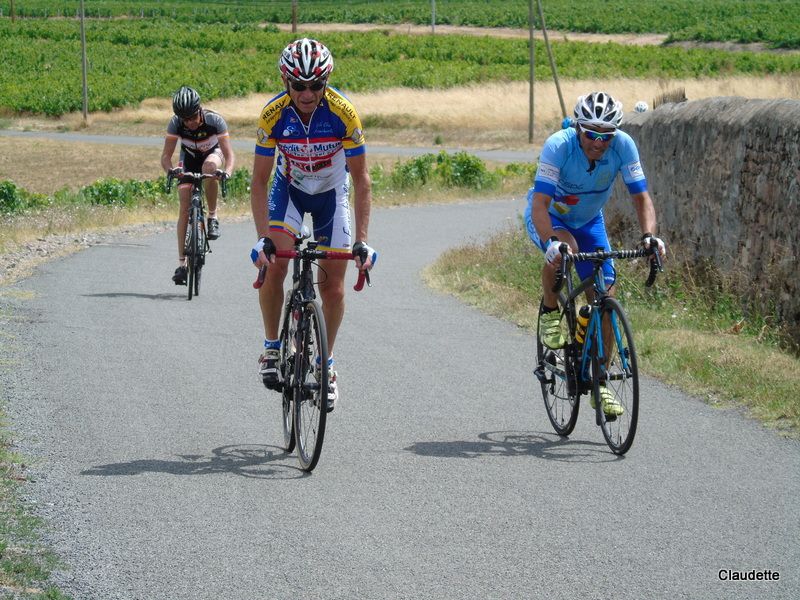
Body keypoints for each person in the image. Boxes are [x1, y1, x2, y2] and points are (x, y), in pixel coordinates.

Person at [249, 38, 377, 412]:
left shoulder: (343, 113)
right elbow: (258, 180)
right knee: (274, 265)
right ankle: (273, 347)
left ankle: (326, 364)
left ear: (326, 82)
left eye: (316, 85)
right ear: (286, 82)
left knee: (334, 290)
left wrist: (363, 242)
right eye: (299, 85)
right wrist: (262, 239)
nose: (307, 93)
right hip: (288, 189)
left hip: (331, 193)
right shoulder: (273, 115)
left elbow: (363, 179)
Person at [524, 91, 666, 416]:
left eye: (606, 135)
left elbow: (641, 198)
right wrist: (550, 242)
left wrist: (649, 237)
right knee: (565, 251)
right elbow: (539, 205)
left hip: (589, 221)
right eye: (591, 134)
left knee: (605, 296)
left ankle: (599, 382)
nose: (599, 142)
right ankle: (549, 311)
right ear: (578, 128)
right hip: (552, 218)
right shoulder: (558, 146)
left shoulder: (624, 146)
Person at [161, 86, 235, 285]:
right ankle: (182, 264)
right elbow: (166, 156)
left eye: (193, 117)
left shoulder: (214, 120)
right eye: (185, 119)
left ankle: (212, 216)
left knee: (209, 167)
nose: (190, 123)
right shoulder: (176, 123)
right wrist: (170, 170)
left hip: (213, 154)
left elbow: (229, 155)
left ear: (199, 110)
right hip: (189, 158)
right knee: (184, 208)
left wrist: (227, 171)